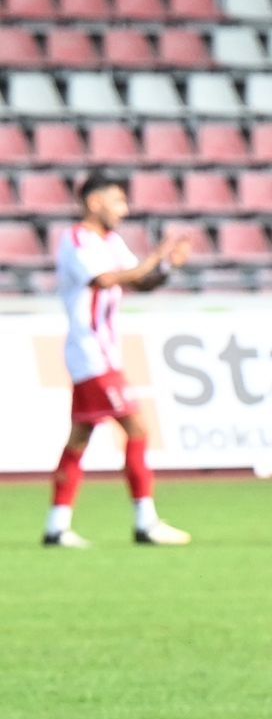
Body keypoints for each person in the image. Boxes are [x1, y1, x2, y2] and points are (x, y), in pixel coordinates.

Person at [44, 171, 194, 548]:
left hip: (102, 353)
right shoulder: (76, 240)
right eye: (118, 201)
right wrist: (154, 257)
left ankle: (56, 525)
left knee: (79, 437)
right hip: (90, 354)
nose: (123, 210)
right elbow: (106, 280)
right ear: (94, 202)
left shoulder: (110, 241)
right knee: (138, 428)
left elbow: (140, 281)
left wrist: (167, 267)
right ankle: (146, 521)